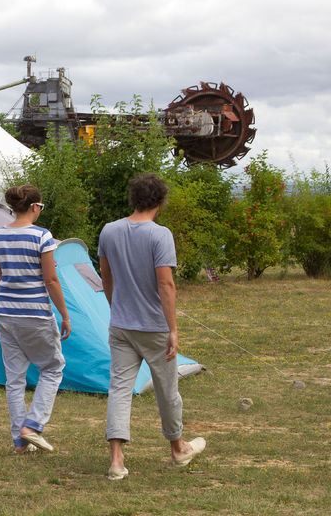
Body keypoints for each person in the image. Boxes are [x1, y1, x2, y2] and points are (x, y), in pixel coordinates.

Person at [98, 173, 206, 481]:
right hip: (155, 327)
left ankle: (116, 460)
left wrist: (115, 306)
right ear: (159, 202)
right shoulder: (160, 235)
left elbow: (106, 277)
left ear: (132, 198)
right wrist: (172, 328)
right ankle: (178, 448)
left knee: (119, 389)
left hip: (121, 325)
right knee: (167, 389)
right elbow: (166, 284)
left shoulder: (109, 231)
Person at [0, 184, 71, 454]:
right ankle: (32, 425)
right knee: (52, 367)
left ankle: (19, 444)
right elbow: (50, 279)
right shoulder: (42, 237)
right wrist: (64, 315)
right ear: (35, 207)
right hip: (35, 313)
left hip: (5, 314)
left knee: (14, 379)